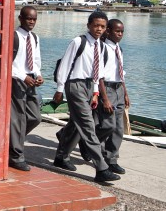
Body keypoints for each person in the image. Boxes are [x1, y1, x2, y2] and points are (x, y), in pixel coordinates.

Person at [52, 10, 121, 183]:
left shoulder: (103, 47)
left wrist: (96, 92)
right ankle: (101, 168)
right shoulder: (78, 42)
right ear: (89, 25)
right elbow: (65, 65)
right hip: (75, 85)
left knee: (76, 123)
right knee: (88, 125)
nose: (99, 29)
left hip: (91, 86)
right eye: (96, 25)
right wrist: (60, 89)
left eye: (102, 27)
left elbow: (98, 73)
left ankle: (61, 156)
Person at [8, 6, 44, 171]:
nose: (31, 22)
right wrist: (24, 77)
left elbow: (36, 60)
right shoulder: (13, 37)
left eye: (34, 19)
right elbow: (7, 63)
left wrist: (38, 74)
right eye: (29, 18)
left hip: (31, 80)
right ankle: (16, 156)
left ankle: (11, 141)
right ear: (20, 18)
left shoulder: (34, 38)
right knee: (18, 119)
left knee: (35, 117)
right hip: (17, 80)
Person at [94, 18, 130, 174]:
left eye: (122, 31)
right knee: (107, 125)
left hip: (119, 89)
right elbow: (99, 75)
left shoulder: (118, 49)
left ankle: (112, 159)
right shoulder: (102, 48)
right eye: (117, 31)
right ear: (108, 31)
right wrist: (105, 98)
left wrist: (126, 93)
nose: (120, 34)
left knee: (118, 128)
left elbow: (120, 74)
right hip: (107, 89)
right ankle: (93, 145)